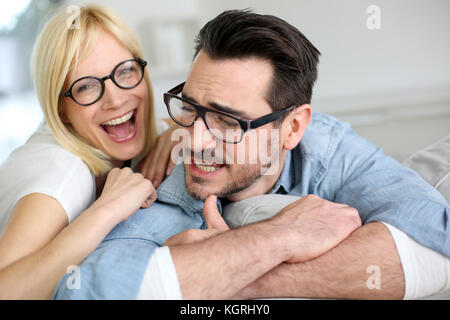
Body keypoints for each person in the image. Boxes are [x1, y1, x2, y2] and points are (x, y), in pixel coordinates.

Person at [53, 9, 450, 300]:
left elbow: (435, 237)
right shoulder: (160, 189)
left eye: (227, 121)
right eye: (189, 108)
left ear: (293, 128)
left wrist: (228, 274)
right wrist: (277, 238)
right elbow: (90, 291)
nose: (194, 140)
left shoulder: (328, 148)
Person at [0, 5, 175, 299]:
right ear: (60, 109)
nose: (116, 100)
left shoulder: (117, 133)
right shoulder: (63, 174)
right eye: (86, 87)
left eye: (126, 70)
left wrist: (176, 130)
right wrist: (105, 211)